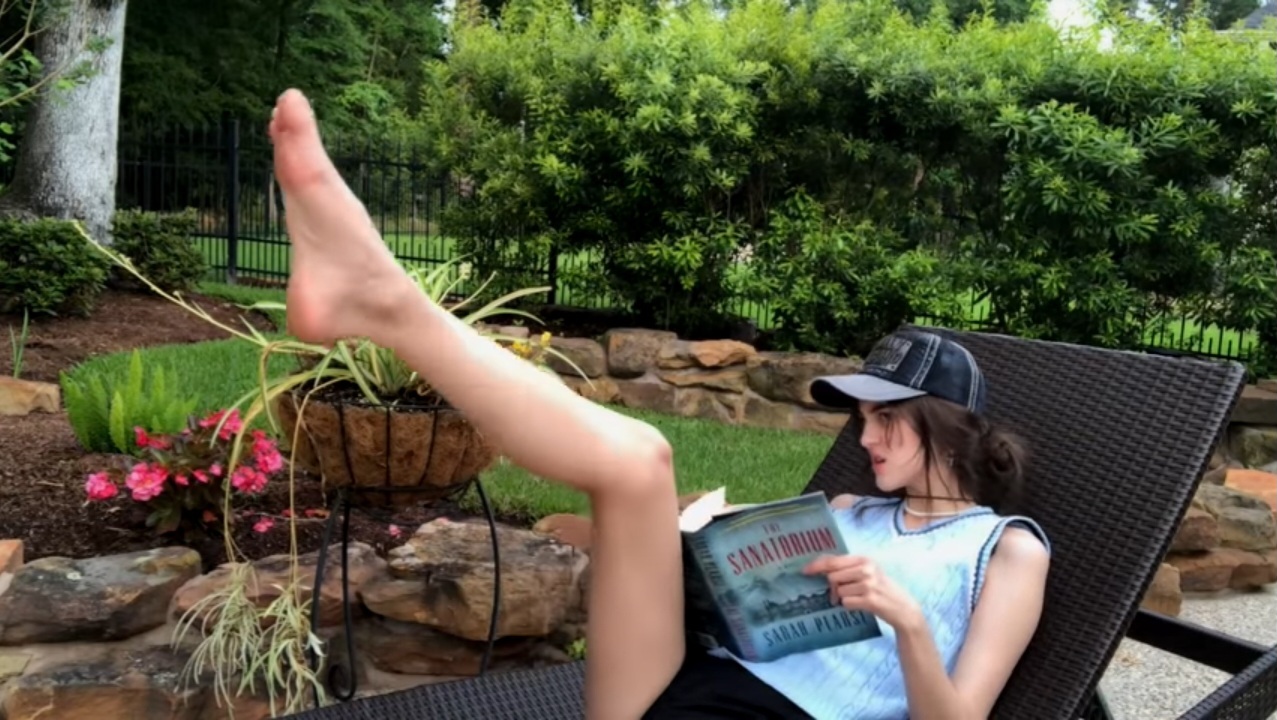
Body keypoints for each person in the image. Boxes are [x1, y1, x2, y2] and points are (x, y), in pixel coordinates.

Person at [267, 88, 1052, 720]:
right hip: (695, 680)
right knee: (641, 463)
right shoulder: (849, 509)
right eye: (863, 419)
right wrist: (701, 532)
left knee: (642, 461)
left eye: (886, 418)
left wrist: (906, 620)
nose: (867, 436)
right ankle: (384, 303)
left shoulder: (1006, 551)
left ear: (945, 425)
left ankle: (379, 299)